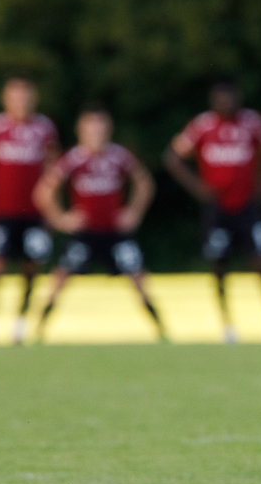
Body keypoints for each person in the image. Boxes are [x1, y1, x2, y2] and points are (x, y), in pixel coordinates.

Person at [164, 78, 261, 344]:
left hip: (249, 208)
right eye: (221, 98)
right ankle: (227, 325)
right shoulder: (202, 126)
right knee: (219, 266)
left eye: (230, 97)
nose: (226, 103)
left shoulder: (251, 122)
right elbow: (173, 156)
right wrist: (198, 187)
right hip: (218, 210)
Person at [34, 104, 167, 342]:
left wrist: (133, 213)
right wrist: (61, 219)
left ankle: (162, 330)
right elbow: (44, 191)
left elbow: (144, 183)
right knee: (60, 279)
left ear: (108, 129)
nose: (96, 132)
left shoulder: (118, 156)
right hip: (84, 233)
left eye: (100, 126)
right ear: (81, 130)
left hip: (114, 233)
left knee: (139, 278)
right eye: (91, 127)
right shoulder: (74, 159)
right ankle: (38, 330)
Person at [0, 78, 60, 346]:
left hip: (34, 213)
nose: (21, 102)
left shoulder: (44, 129)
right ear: (5, 99)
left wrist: (51, 210)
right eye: (15, 97)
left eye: (25, 97)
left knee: (31, 265)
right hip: (3, 211)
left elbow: (53, 172)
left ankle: (21, 323)